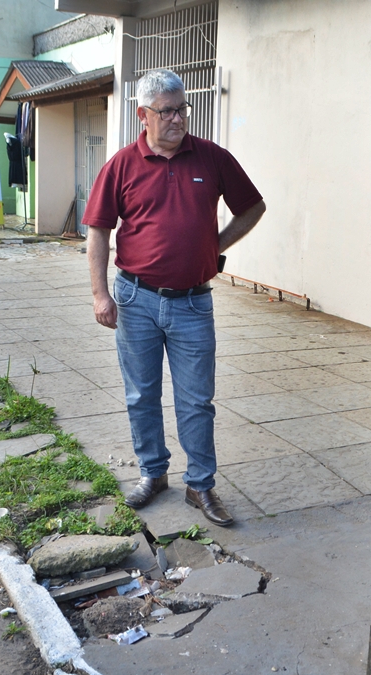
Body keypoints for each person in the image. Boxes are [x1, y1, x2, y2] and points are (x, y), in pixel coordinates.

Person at [83, 68, 266, 527]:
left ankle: (200, 485)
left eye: (182, 109)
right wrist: (100, 294)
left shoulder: (211, 158)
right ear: (142, 114)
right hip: (136, 299)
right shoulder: (121, 165)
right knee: (140, 394)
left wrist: (214, 245)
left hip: (192, 303)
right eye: (166, 111)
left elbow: (253, 207)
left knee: (196, 399)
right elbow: (98, 232)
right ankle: (153, 473)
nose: (177, 119)